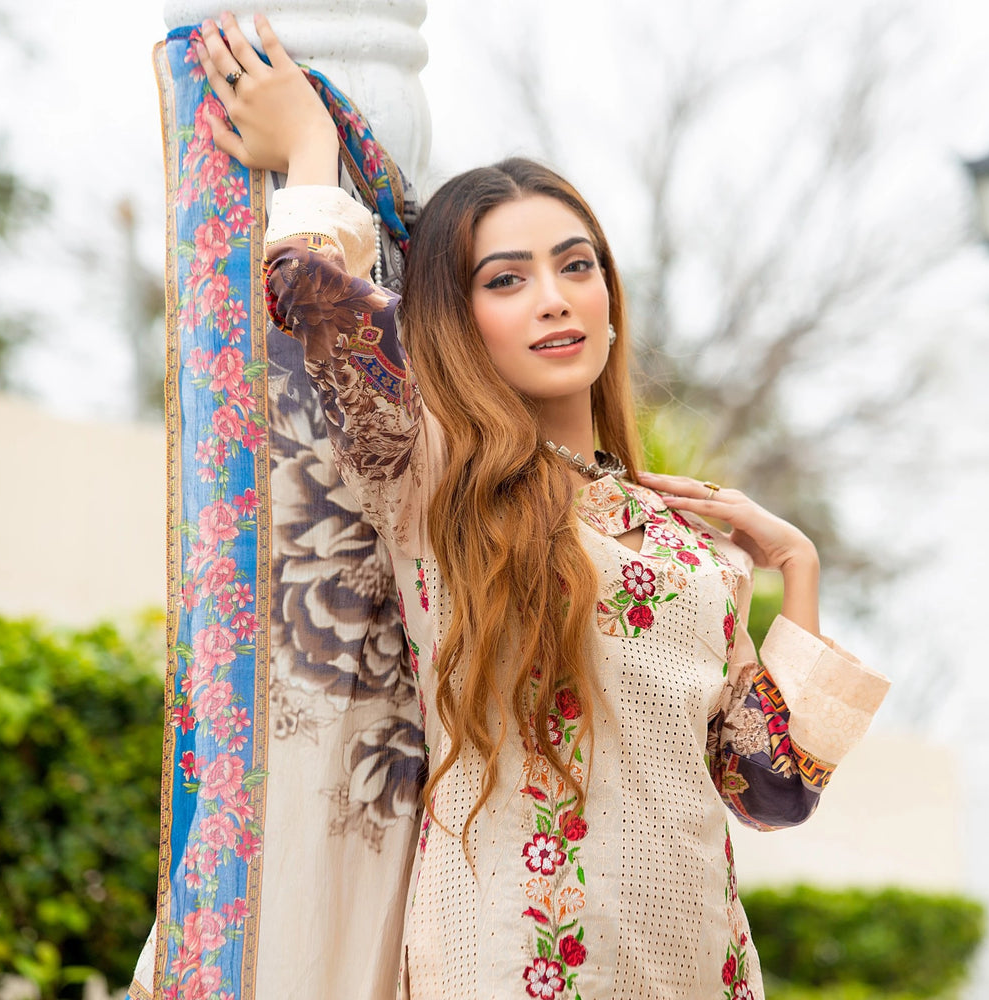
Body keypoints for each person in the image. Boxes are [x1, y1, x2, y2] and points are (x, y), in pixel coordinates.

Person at [195, 12, 890, 999]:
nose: (555, 298)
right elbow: (311, 295)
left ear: (609, 292)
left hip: (700, 968)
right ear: (459, 316)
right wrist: (311, 147)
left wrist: (797, 565)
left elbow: (772, 791)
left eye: (575, 265)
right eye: (506, 280)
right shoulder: (437, 471)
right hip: (511, 961)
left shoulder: (685, 545)